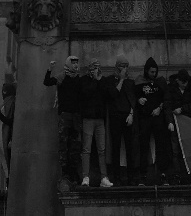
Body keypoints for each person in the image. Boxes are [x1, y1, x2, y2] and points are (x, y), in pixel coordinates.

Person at [44, 55, 83, 186]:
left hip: (76, 116)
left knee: (75, 146)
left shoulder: (78, 78)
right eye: (73, 62)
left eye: (77, 62)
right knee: (63, 144)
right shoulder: (62, 77)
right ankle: (65, 172)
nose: (76, 65)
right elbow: (47, 81)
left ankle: (73, 172)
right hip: (65, 115)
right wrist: (50, 69)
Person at [164, 68, 191, 182]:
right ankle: (177, 175)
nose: (184, 85)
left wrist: (183, 109)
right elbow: (167, 105)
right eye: (182, 82)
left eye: (186, 82)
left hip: (189, 122)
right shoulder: (170, 88)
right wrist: (169, 121)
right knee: (175, 150)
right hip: (175, 122)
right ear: (177, 80)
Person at [105, 55, 138, 186]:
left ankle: (131, 176)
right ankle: (116, 176)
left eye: (126, 66)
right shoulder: (110, 81)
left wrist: (131, 114)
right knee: (115, 147)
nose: (125, 69)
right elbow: (113, 94)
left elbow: (133, 100)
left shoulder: (131, 83)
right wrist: (121, 80)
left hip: (127, 116)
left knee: (130, 147)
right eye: (122, 66)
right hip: (115, 117)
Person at [80, 58, 113, 188]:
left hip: (100, 119)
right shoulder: (84, 81)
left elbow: (107, 95)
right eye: (94, 68)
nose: (96, 71)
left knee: (102, 149)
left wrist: (99, 81)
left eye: (98, 68)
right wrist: (95, 81)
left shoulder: (102, 81)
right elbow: (86, 93)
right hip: (88, 118)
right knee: (86, 149)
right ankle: (85, 176)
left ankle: (104, 177)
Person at [137, 57, 170, 181]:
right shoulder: (139, 82)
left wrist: (160, 108)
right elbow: (134, 95)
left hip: (158, 117)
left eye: (155, 72)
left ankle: (163, 171)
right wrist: (138, 99)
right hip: (144, 117)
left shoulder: (160, 81)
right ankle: (142, 172)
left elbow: (166, 98)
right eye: (151, 72)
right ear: (146, 71)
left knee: (161, 144)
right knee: (143, 145)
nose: (154, 74)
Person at [0, 77, 16, 179]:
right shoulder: (9, 103)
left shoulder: (12, 103)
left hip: (11, 140)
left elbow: (12, 122)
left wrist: (0, 116)